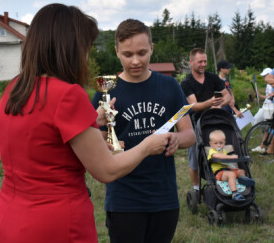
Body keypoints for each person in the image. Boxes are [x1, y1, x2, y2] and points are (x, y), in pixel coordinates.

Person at [0, 4, 171, 243]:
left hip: (8, 219)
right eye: (85, 48)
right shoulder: (68, 94)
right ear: (70, 49)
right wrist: (148, 145)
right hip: (56, 225)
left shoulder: (14, 89)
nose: (86, 57)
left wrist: (90, 123)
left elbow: (42, 143)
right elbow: (107, 170)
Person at [91, 19, 195, 243]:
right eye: (128, 54)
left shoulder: (169, 86)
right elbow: (96, 146)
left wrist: (177, 138)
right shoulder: (105, 91)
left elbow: (190, 135)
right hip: (123, 198)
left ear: (152, 49)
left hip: (163, 197)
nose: (136, 61)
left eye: (142, 53)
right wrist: (108, 146)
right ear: (117, 51)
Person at [180, 48, 230, 192]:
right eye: (200, 61)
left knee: (220, 151)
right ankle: (196, 189)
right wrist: (211, 103)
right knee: (195, 159)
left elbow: (227, 96)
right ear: (191, 62)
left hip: (215, 122)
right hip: (195, 124)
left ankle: (223, 180)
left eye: (205, 61)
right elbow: (194, 106)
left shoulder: (213, 78)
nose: (203, 64)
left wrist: (219, 104)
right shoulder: (186, 83)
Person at [207, 130, 254, 201]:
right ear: (211, 144)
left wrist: (232, 168)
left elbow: (226, 163)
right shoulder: (212, 152)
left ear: (224, 143)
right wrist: (231, 157)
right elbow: (218, 156)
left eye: (221, 143)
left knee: (240, 171)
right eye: (216, 143)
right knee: (231, 175)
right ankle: (235, 193)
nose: (219, 145)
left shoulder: (224, 151)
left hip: (227, 170)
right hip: (219, 173)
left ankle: (243, 179)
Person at [250, 67, 274, 153]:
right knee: (256, 121)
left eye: (265, 75)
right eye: (264, 76)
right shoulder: (268, 84)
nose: (264, 77)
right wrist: (261, 96)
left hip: (271, 107)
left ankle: (266, 145)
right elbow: (269, 96)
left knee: (270, 126)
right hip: (266, 106)